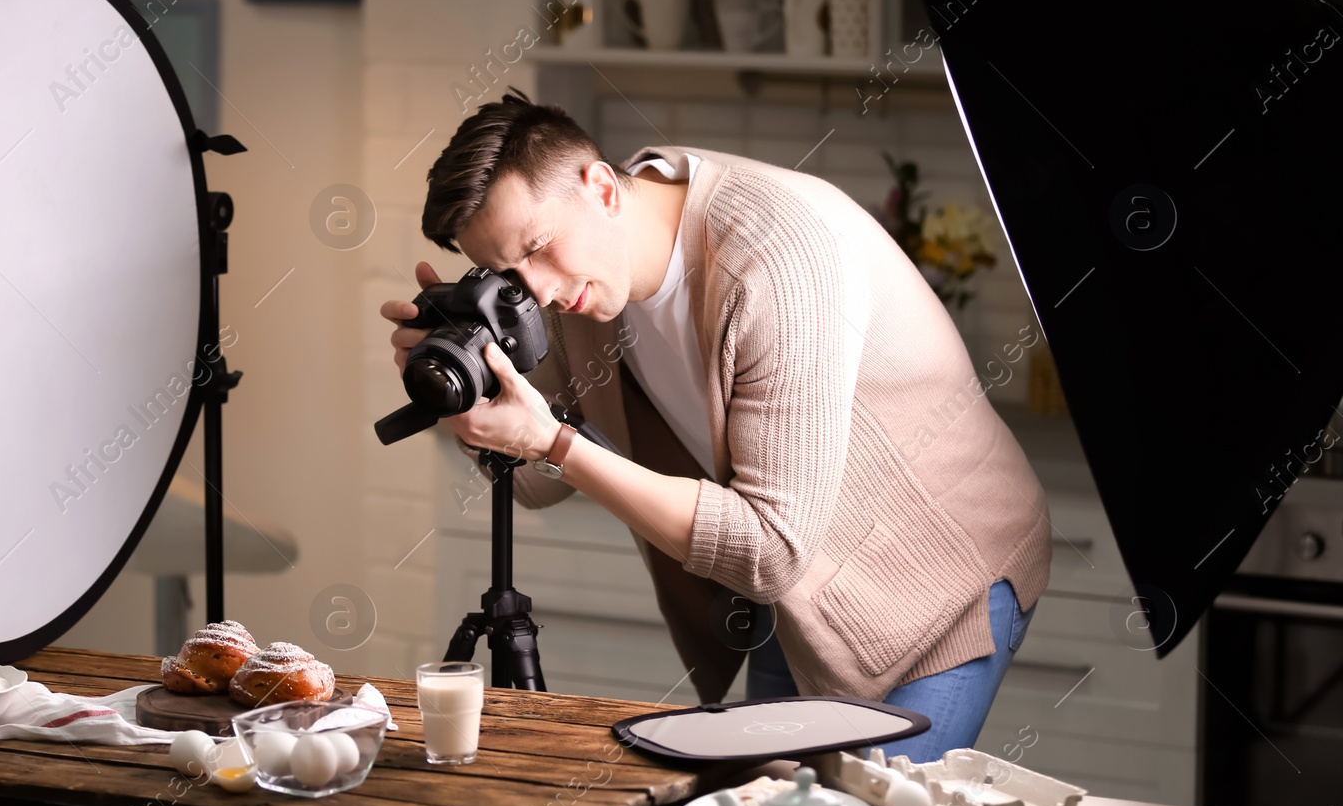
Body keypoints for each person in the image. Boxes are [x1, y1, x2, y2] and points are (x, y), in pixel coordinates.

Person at [381, 90, 1050, 763]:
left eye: (539, 247)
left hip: (933, 575)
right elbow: (535, 484)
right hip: (800, 600)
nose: (541, 290)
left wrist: (554, 442)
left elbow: (769, 549)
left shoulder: (775, 259)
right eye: (508, 274)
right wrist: (465, 391)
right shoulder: (584, 280)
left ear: (603, 188)